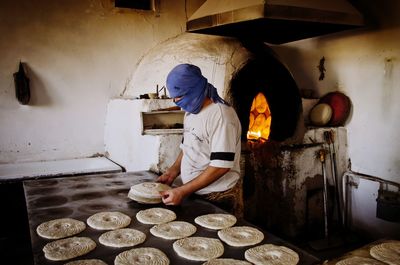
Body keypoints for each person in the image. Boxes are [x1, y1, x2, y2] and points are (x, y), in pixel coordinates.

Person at [157, 63, 243, 217]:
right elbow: (188, 147)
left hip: (218, 197)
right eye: (173, 97)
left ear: (194, 90)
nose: (176, 101)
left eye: (179, 96)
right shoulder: (191, 111)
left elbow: (221, 166)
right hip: (194, 191)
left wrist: (182, 191)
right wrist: (173, 171)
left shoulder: (221, 116)